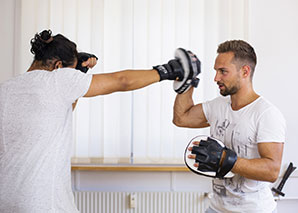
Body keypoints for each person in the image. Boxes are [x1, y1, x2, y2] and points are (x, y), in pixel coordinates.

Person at [0, 29, 199, 212]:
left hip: (6, 201)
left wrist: (79, 72)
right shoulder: (58, 80)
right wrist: (168, 71)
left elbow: (62, 110)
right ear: (58, 66)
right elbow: (122, 81)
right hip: (43, 204)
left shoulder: (5, 89)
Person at [173, 40, 286, 213]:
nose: (216, 78)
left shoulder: (266, 114)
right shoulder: (218, 106)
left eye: (223, 71)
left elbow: (271, 171)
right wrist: (186, 83)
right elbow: (181, 118)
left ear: (245, 71)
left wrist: (226, 160)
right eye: (216, 71)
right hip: (216, 209)